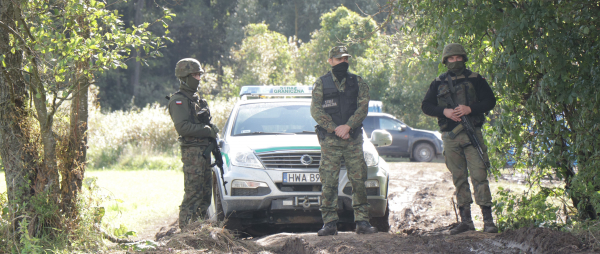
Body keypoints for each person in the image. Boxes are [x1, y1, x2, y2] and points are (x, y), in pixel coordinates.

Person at [421, 43, 498, 234]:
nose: (455, 61)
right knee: (459, 178)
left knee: (479, 175)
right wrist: (445, 111)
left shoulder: (476, 79)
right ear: (445, 61)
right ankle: (466, 221)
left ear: (464, 58)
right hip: (450, 135)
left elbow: (490, 101)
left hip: (472, 134)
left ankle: (488, 221)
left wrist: (470, 109)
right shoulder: (438, 82)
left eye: (458, 58)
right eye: (451, 58)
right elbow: (426, 106)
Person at [310, 45, 378, 236]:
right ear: (330, 61)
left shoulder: (358, 82)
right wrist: (335, 128)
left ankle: (362, 222)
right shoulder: (321, 83)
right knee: (329, 182)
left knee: (358, 180)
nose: (343, 62)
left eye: (345, 59)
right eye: (339, 59)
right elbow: (316, 110)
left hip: (353, 139)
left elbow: (363, 108)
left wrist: (347, 126)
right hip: (331, 141)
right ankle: (329, 223)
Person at [168, 58, 219, 229]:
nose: (198, 78)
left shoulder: (198, 100)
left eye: (199, 74)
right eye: (195, 75)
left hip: (203, 153)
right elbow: (183, 127)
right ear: (185, 76)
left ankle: (199, 231)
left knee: (205, 195)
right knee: (193, 194)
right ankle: (185, 233)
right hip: (192, 154)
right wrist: (207, 130)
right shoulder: (179, 100)